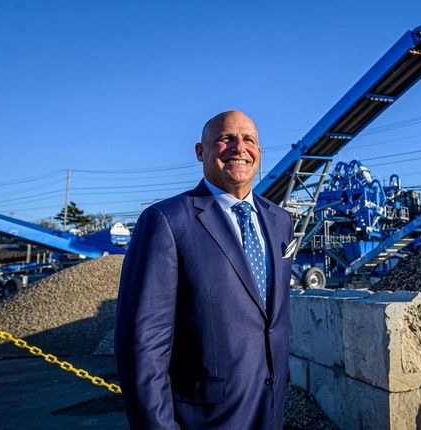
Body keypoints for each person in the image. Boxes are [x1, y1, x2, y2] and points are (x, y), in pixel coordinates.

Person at [115, 110, 294, 429]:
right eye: (226, 139)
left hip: (269, 409)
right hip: (202, 418)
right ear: (201, 151)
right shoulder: (167, 221)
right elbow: (144, 342)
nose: (240, 147)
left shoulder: (280, 221)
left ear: (259, 153)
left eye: (249, 140)